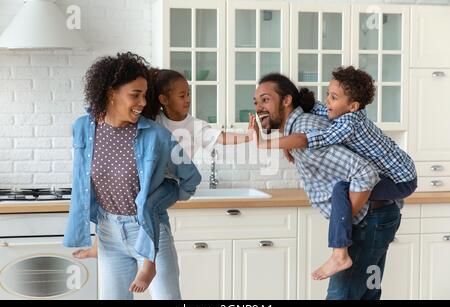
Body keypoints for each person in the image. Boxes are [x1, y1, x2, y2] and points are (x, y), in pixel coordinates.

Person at [251, 67, 417, 281]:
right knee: (367, 290)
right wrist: (287, 140)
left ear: (353, 105)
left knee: (340, 190)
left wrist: (266, 144)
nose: (327, 101)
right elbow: (313, 109)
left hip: (400, 180)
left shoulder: (347, 123)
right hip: (391, 188)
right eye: (328, 94)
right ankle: (340, 251)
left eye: (333, 97)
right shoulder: (338, 110)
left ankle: (339, 253)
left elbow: (312, 140)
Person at [73, 68, 254, 259]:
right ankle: (99, 245)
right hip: (152, 180)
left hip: (170, 182)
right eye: (182, 95)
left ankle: (148, 256)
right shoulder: (155, 121)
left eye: (188, 94)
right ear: (163, 99)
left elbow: (221, 137)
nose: (188, 100)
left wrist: (248, 137)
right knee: (109, 202)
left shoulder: (194, 126)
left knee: (148, 206)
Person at [63, 52, 202, 300]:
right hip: (108, 234)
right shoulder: (84, 128)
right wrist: (97, 238)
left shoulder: (156, 135)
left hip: (149, 231)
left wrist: (157, 200)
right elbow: (87, 185)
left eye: (144, 95)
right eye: (134, 95)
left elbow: (190, 178)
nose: (141, 102)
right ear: (110, 93)